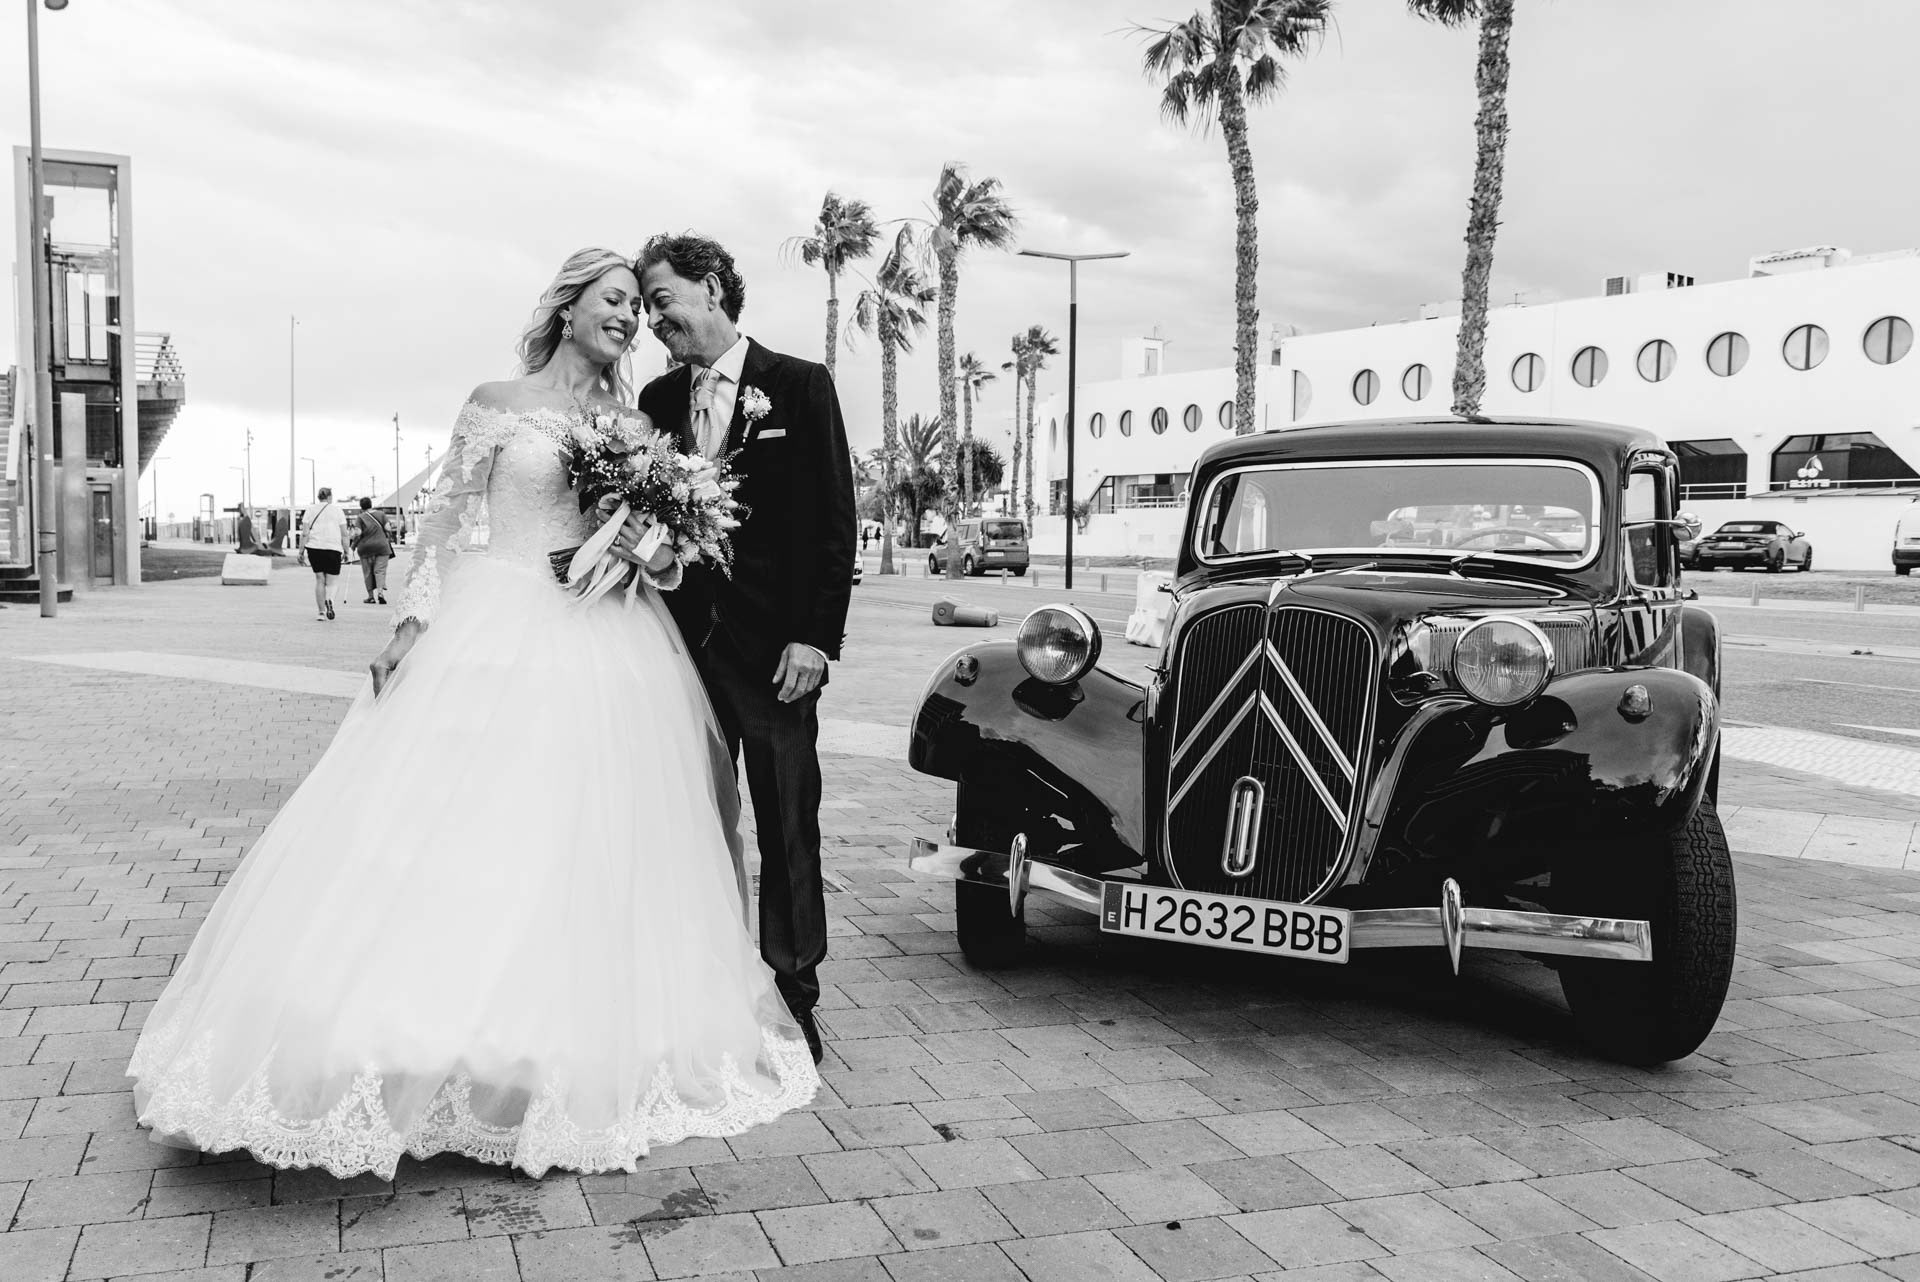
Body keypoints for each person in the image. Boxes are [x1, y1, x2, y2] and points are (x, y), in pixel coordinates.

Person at [126, 248, 818, 1180]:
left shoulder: (636, 420)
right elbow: (448, 521)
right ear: (567, 307)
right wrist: (411, 626)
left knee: (584, 836)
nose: (631, 319)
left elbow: (663, 548)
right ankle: (422, 1036)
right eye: (615, 300)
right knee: (463, 824)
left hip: (609, 636)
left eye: (640, 306)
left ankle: (559, 1043)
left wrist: (651, 553)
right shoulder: (497, 401)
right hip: (494, 620)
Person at [633, 234, 855, 1065]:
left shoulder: (799, 385)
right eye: (646, 307)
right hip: (679, 653)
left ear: (714, 288)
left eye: (662, 300)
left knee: (788, 825)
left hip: (775, 655)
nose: (654, 321)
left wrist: (815, 638)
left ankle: (794, 994)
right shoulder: (656, 400)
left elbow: (833, 523)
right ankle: (703, 991)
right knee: (690, 824)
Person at [303, 487, 349, 620]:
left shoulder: (310, 510)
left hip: (314, 548)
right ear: (330, 497)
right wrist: (346, 550)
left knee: (320, 579)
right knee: (333, 581)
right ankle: (330, 600)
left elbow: (305, 533)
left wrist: (301, 551)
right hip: (333, 548)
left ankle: (321, 613)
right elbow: (344, 534)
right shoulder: (337, 510)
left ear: (319, 497)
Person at [352, 495, 394, 604]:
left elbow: (358, 533)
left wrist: (353, 546)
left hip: (365, 548)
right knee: (380, 570)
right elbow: (388, 528)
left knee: (367, 572)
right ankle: (380, 593)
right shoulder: (381, 514)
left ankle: (370, 597)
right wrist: (388, 536)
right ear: (371, 504)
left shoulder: (360, 517)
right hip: (382, 546)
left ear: (361, 507)